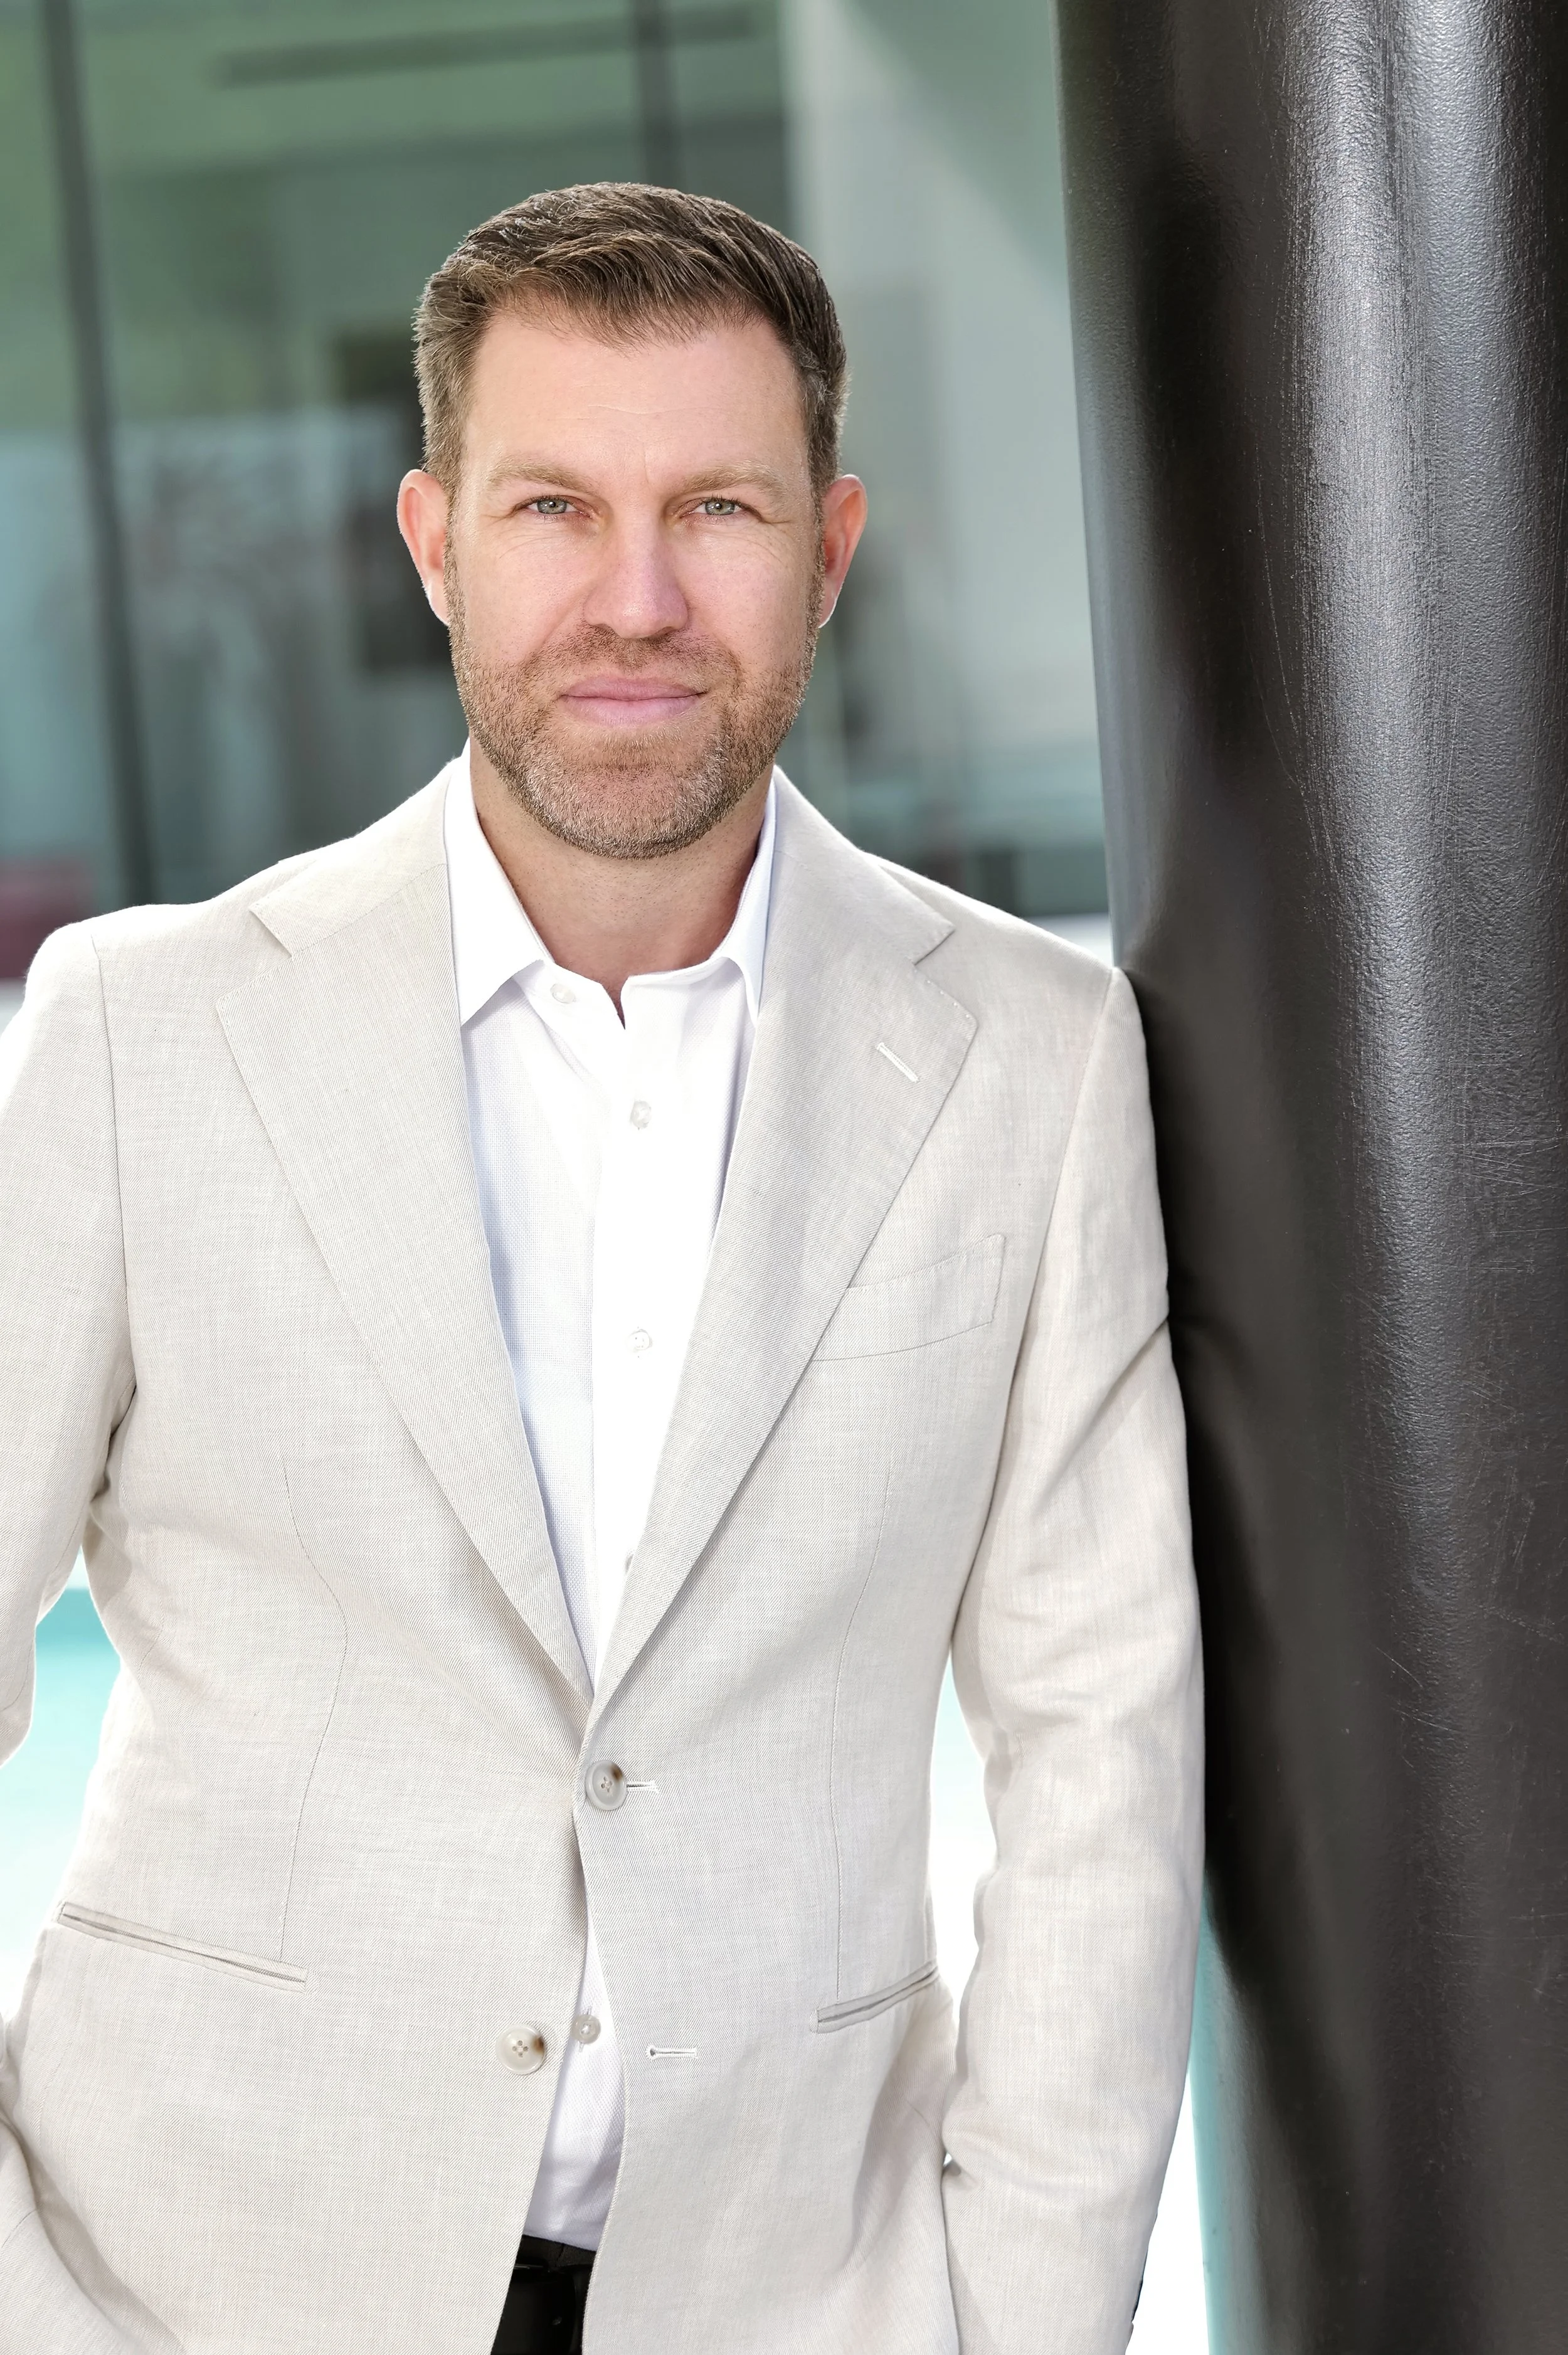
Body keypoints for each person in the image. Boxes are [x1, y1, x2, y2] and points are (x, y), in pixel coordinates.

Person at [0, 183, 1202, 2355]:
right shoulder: (138, 1030)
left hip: (788, 2297)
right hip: (176, 2285)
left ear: (826, 551)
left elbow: (1099, 1752)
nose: (636, 600)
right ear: (437, 541)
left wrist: (1019, 2324)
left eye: (716, 508)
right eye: (554, 505)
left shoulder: (1032, 1062)